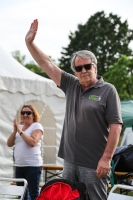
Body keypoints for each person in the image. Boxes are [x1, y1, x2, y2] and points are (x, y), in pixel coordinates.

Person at [25, 19, 123, 200]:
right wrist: (30, 43)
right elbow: (47, 64)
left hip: (94, 164)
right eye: (79, 68)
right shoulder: (71, 84)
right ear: (75, 71)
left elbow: (116, 126)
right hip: (70, 162)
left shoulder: (108, 90)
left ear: (95, 66)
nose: (83, 70)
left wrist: (107, 159)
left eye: (87, 66)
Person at [7, 104, 44, 200]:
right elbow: (9, 143)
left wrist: (20, 131)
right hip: (19, 166)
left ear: (33, 115)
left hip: (32, 166)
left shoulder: (36, 125)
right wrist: (16, 130)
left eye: (28, 112)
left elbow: (32, 142)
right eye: (23, 112)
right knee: (21, 194)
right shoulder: (20, 128)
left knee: (33, 194)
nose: (25, 115)